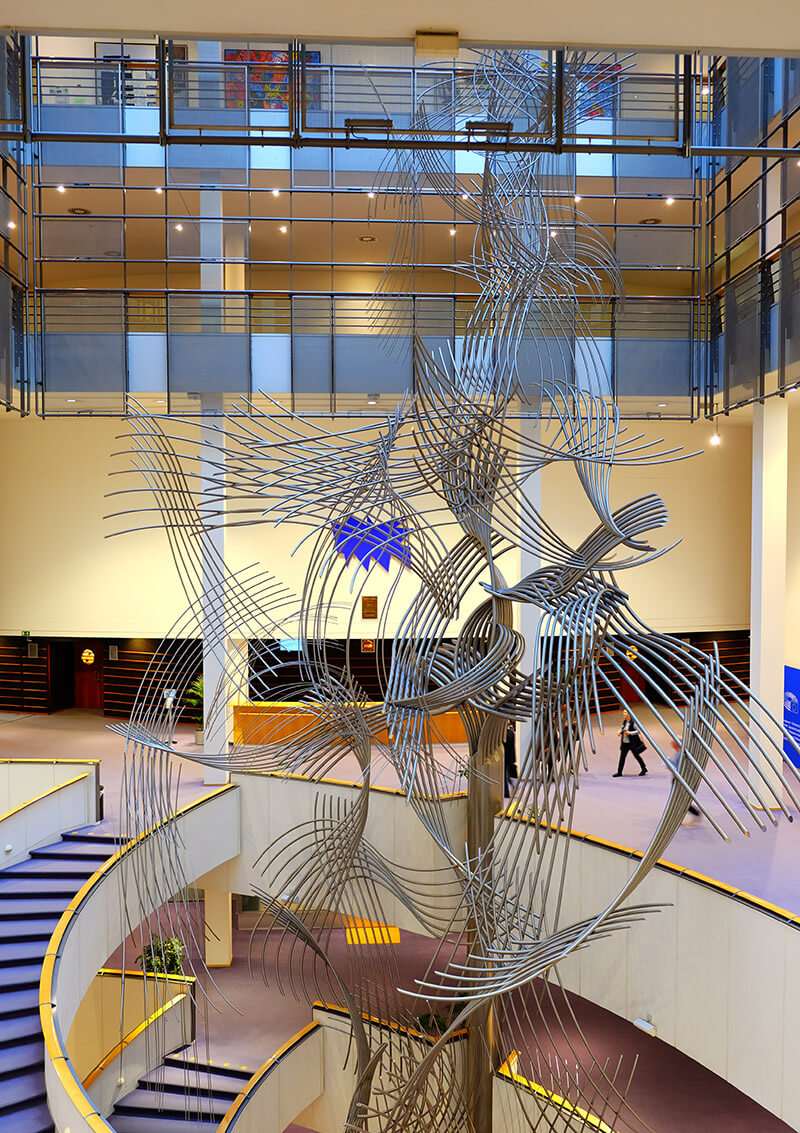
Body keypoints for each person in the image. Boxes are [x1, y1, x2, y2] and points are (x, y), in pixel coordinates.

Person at [613, 710, 648, 777]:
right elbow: (623, 729)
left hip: (632, 743)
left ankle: (644, 768)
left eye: (625, 713)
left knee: (637, 756)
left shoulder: (633, 722)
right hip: (625, 743)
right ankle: (619, 772)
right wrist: (620, 731)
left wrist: (630, 733)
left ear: (629, 714)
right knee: (622, 758)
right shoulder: (625, 721)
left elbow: (638, 731)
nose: (623, 714)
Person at [504, 721, 518, 796]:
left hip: (505, 758)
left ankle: (506, 792)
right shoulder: (511, 733)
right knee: (507, 774)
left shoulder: (504, 735)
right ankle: (512, 786)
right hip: (510, 757)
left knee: (505, 776)